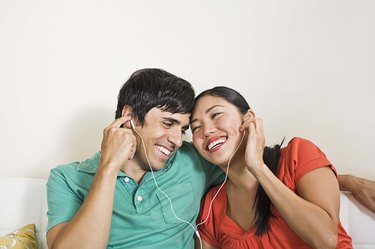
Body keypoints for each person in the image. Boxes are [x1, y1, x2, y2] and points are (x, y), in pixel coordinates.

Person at [46, 68, 224, 249]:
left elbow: (243, 167)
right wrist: (109, 167)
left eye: (183, 130)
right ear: (130, 117)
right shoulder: (66, 178)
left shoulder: (194, 159)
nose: (178, 141)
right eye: (168, 123)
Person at [190, 86, 353, 249]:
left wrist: (258, 167)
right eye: (196, 127)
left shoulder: (298, 155)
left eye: (216, 115)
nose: (206, 131)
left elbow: (326, 240)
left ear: (248, 118)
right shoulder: (211, 206)